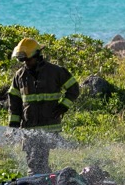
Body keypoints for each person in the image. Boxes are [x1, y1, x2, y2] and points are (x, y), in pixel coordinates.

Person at [7, 37, 79, 174]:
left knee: (35, 162)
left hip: (48, 127)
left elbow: (74, 89)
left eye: (28, 59)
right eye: (23, 60)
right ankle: (45, 183)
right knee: (35, 160)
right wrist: (14, 126)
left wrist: (64, 106)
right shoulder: (20, 76)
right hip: (29, 128)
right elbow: (14, 102)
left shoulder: (55, 72)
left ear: (38, 56)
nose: (26, 63)